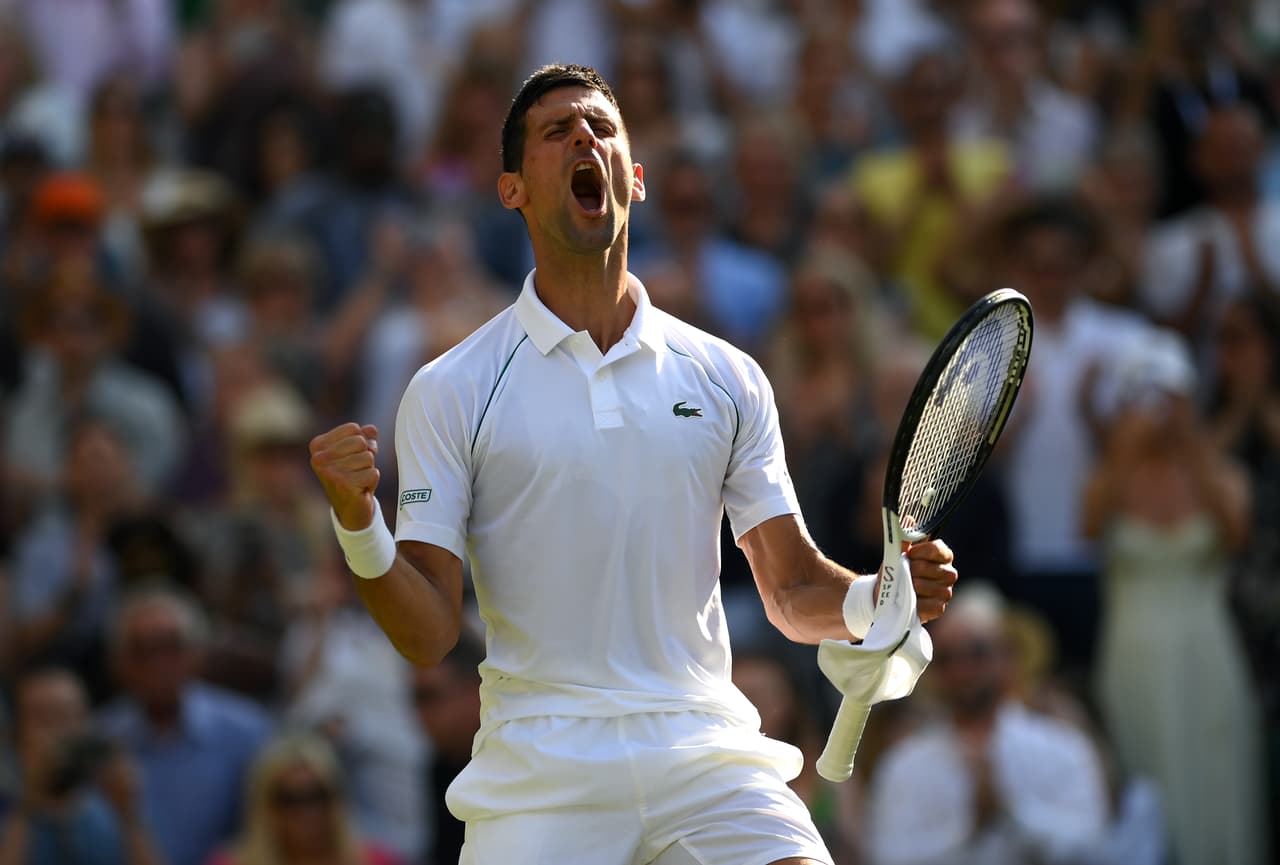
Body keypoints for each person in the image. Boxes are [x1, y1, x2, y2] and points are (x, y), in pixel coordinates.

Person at [309, 63, 959, 865]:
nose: (586, 136)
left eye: (603, 129)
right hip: (541, 770)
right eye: (557, 131)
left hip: (704, 749)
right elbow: (430, 632)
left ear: (636, 179)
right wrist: (358, 525)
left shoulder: (727, 375)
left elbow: (790, 591)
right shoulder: (450, 389)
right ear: (511, 190)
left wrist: (876, 596)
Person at [1083, 335, 1268, 865]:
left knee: (1214, 766)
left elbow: (1236, 533)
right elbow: (1089, 527)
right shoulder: (1106, 479)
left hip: (1206, 648)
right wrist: (1124, 446)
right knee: (1146, 762)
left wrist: (1192, 443)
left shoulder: (1219, 474)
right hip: (1132, 651)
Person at [862, 584, 1110, 865]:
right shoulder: (904, 764)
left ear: (1008, 657)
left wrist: (1013, 814)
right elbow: (887, 856)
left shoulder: (1065, 749)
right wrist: (969, 830)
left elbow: (1095, 849)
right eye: (946, 659)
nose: (962, 670)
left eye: (977, 652)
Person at [97, 585, 273, 865]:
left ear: (197, 653)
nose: (157, 663)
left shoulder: (246, 732)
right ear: (120, 662)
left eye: (169, 646)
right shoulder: (102, 739)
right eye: (141, 650)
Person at [0, 667, 165, 865]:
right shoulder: (9, 810)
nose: (61, 732)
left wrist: (128, 816)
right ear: (15, 735)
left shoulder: (112, 803)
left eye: (70, 715)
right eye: (45, 718)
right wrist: (28, 804)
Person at [204, 733, 402, 865]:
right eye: (291, 799)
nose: (308, 811)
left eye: (318, 795)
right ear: (266, 805)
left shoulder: (376, 861)